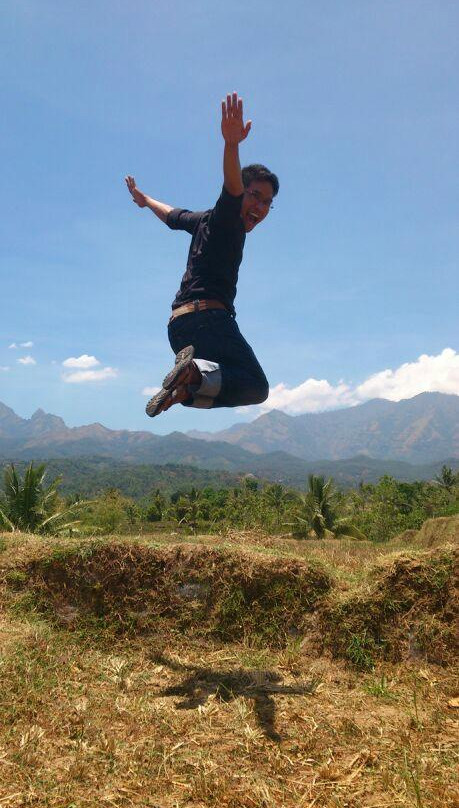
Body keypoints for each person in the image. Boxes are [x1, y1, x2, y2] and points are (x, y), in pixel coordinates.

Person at [125, 92, 279, 417]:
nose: (260, 207)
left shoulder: (203, 220)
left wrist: (146, 200)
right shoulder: (228, 219)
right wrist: (231, 145)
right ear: (242, 192)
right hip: (208, 321)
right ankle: (193, 372)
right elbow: (232, 188)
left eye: (267, 202)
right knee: (255, 386)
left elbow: (172, 216)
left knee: (226, 381)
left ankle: (185, 386)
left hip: (178, 327)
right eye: (255, 196)